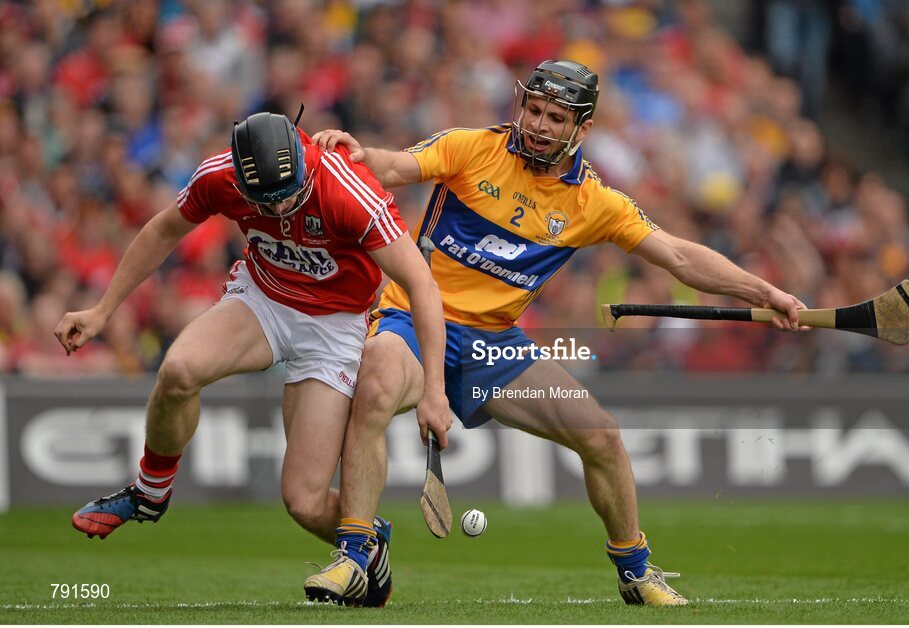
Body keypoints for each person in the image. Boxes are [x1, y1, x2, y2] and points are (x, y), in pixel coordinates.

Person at [310, 59, 805, 607]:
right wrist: (358, 154)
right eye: (534, 110)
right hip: (410, 319)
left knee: (602, 436)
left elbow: (680, 256)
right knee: (377, 380)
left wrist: (764, 293)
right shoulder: (472, 147)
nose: (540, 125)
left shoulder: (593, 202)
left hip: (489, 344)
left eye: (556, 118)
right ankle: (355, 557)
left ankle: (636, 572)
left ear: (582, 129)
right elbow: (394, 165)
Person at [54, 111, 450, 607]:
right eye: (266, 199)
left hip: (334, 326)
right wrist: (102, 310)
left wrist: (435, 392)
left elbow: (421, 285)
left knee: (304, 501)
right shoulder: (219, 176)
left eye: (289, 192)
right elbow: (161, 231)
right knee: (177, 370)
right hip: (263, 299)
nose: (281, 205)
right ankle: (150, 491)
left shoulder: (348, 188)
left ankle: (367, 541)